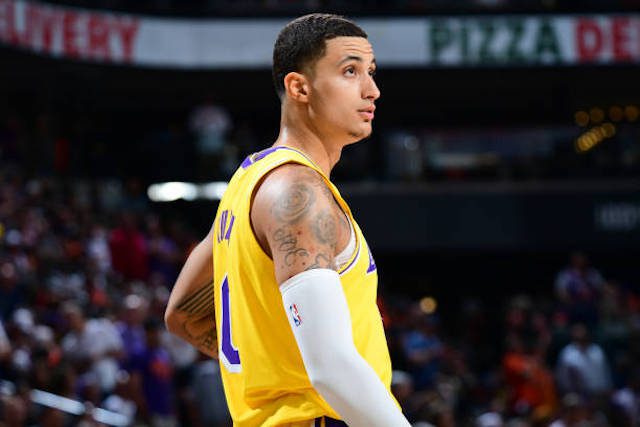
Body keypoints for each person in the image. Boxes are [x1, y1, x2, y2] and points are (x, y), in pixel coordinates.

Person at [165, 13, 411, 427]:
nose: (373, 90)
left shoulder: (249, 180)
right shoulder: (298, 194)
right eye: (350, 71)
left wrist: (275, 360)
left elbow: (183, 315)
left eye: (371, 72)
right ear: (299, 87)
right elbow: (331, 369)